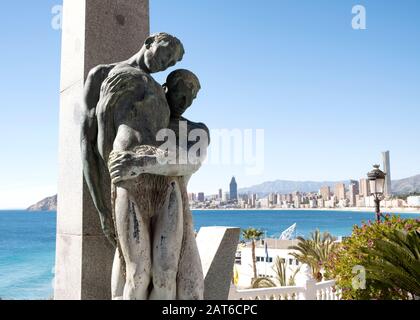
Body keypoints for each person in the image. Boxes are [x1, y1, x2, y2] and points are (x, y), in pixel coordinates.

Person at [108, 69, 209, 300]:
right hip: (135, 200)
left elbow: (192, 162)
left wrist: (141, 163)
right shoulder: (137, 122)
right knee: (136, 276)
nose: (184, 103)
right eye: (179, 95)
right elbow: (115, 160)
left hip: (174, 205)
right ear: (165, 89)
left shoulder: (195, 130)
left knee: (175, 282)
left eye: (190, 99)